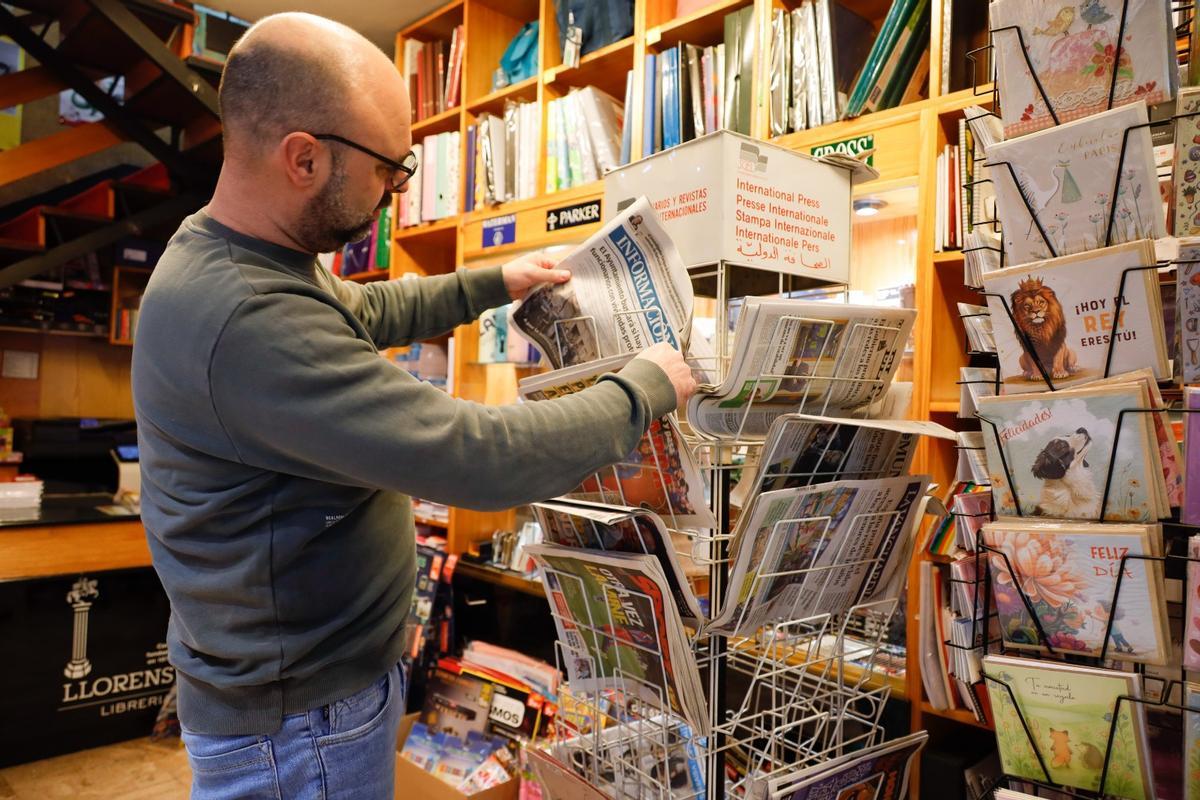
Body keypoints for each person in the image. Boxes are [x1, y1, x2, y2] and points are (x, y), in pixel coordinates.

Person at [131, 12, 697, 800]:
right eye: (389, 170)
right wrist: (643, 389)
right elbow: (477, 455)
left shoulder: (253, 258)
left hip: (310, 696)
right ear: (304, 158)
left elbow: (365, 312)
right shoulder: (243, 314)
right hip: (302, 724)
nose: (396, 192)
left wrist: (495, 284)